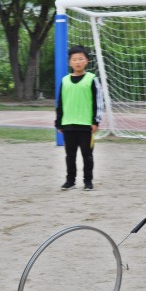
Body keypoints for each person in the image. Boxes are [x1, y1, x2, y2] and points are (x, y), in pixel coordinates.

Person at [55, 45, 103, 191]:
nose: (77, 62)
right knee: (70, 155)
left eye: (81, 59)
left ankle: (88, 181)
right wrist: (59, 121)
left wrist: (96, 120)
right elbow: (61, 102)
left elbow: (98, 101)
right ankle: (70, 180)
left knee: (87, 155)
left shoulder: (92, 79)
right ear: (70, 62)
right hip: (68, 124)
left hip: (86, 125)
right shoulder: (65, 81)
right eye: (74, 59)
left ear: (86, 61)